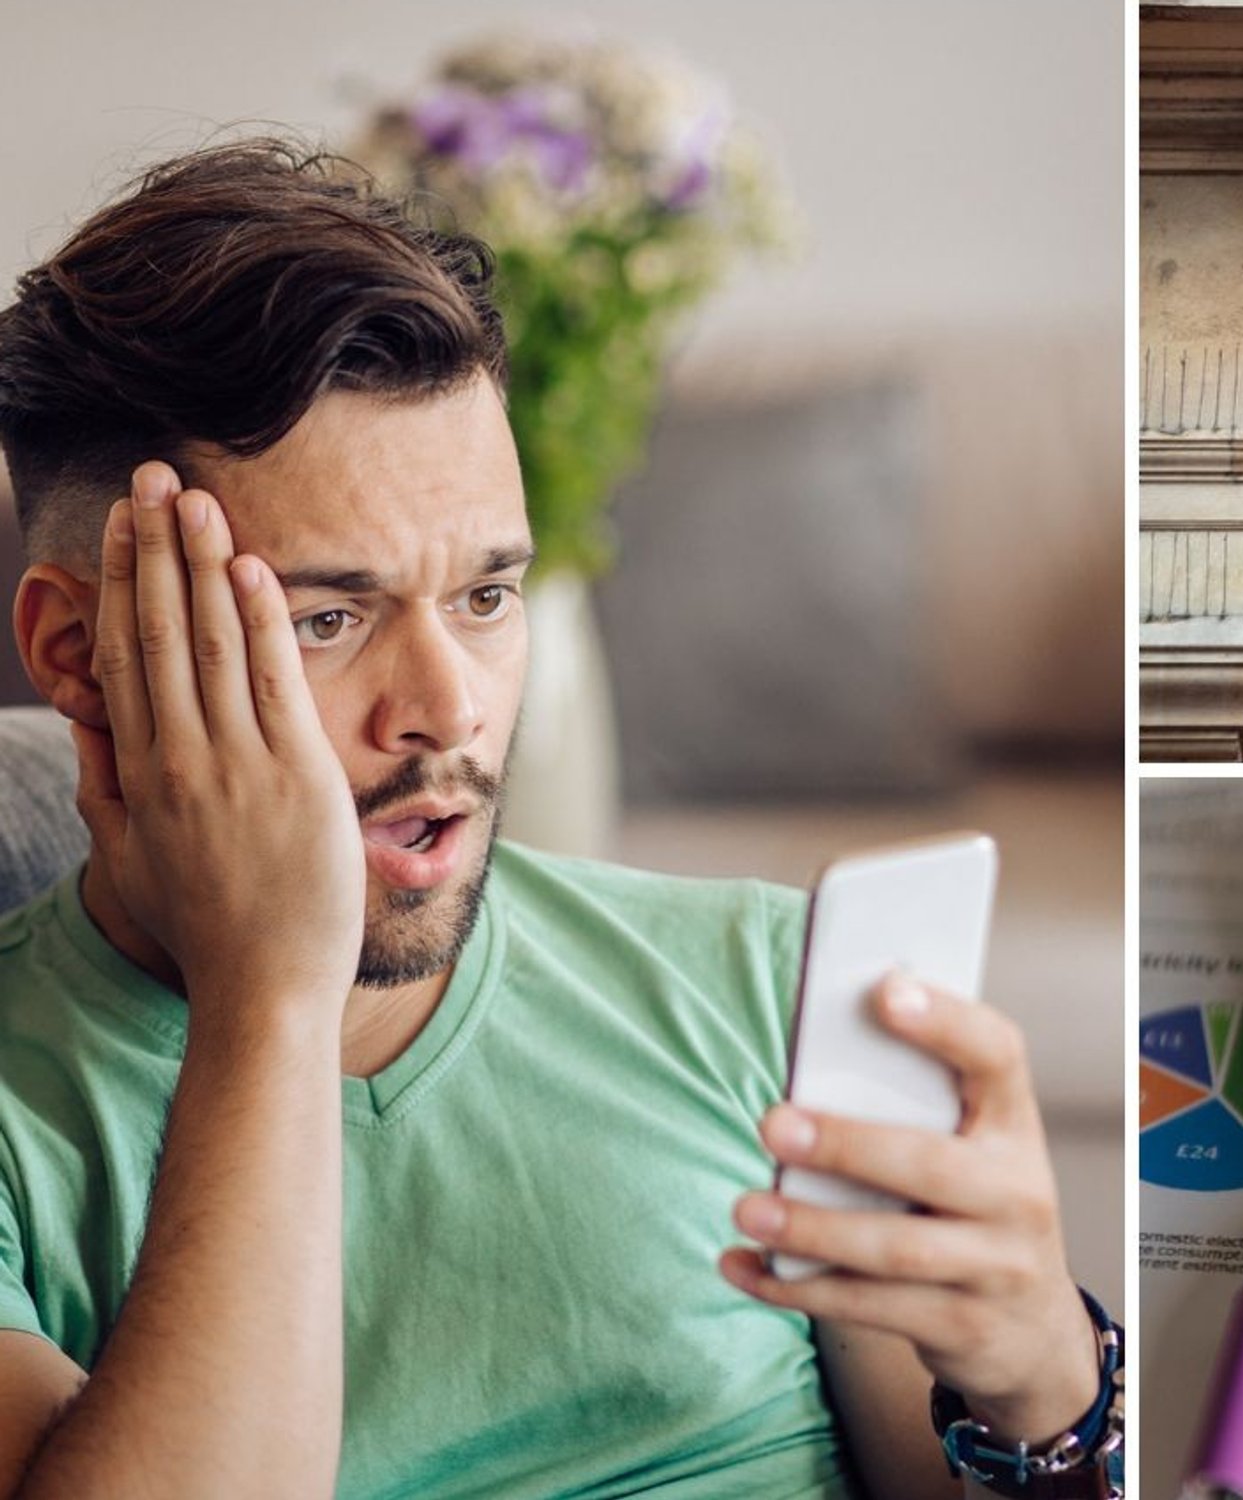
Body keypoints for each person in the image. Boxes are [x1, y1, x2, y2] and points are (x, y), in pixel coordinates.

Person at [0, 140, 1120, 1499]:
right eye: (328, 617)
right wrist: (274, 995)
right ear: (75, 652)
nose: (447, 710)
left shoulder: (766, 984)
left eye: (484, 597)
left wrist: (1046, 1385)